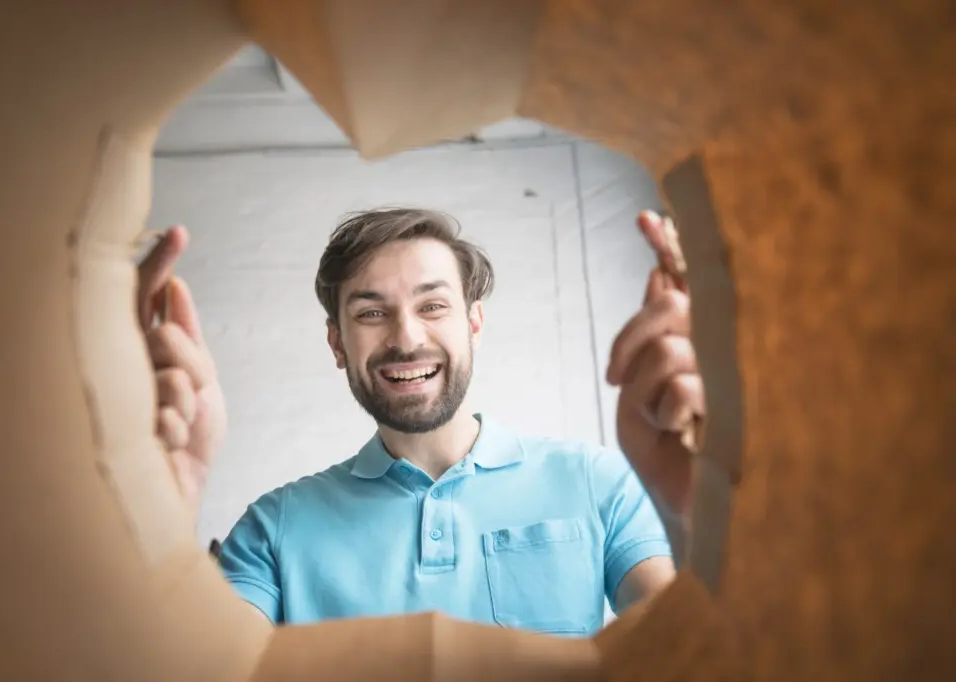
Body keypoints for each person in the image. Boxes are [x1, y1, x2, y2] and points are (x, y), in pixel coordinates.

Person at [137, 207, 701, 635]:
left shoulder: (596, 481)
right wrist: (152, 515)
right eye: (371, 313)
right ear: (338, 342)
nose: (406, 337)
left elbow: (694, 654)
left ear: (474, 323)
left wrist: (702, 507)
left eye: (432, 306)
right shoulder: (271, 529)